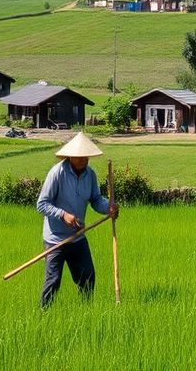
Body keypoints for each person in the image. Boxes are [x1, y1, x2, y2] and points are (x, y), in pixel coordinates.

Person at [35, 132, 118, 309]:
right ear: (70, 156)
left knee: (87, 276)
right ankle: (43, 315)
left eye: (86, 157)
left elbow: (95, 199)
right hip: (56, 239)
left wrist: (108, 207)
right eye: (79, 157)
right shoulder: (56, 173)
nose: (84, 160)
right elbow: (42, 204)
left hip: (78, 236)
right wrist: (62, 214)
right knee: (53, 281)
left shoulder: (90, 175)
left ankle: (85, 312)